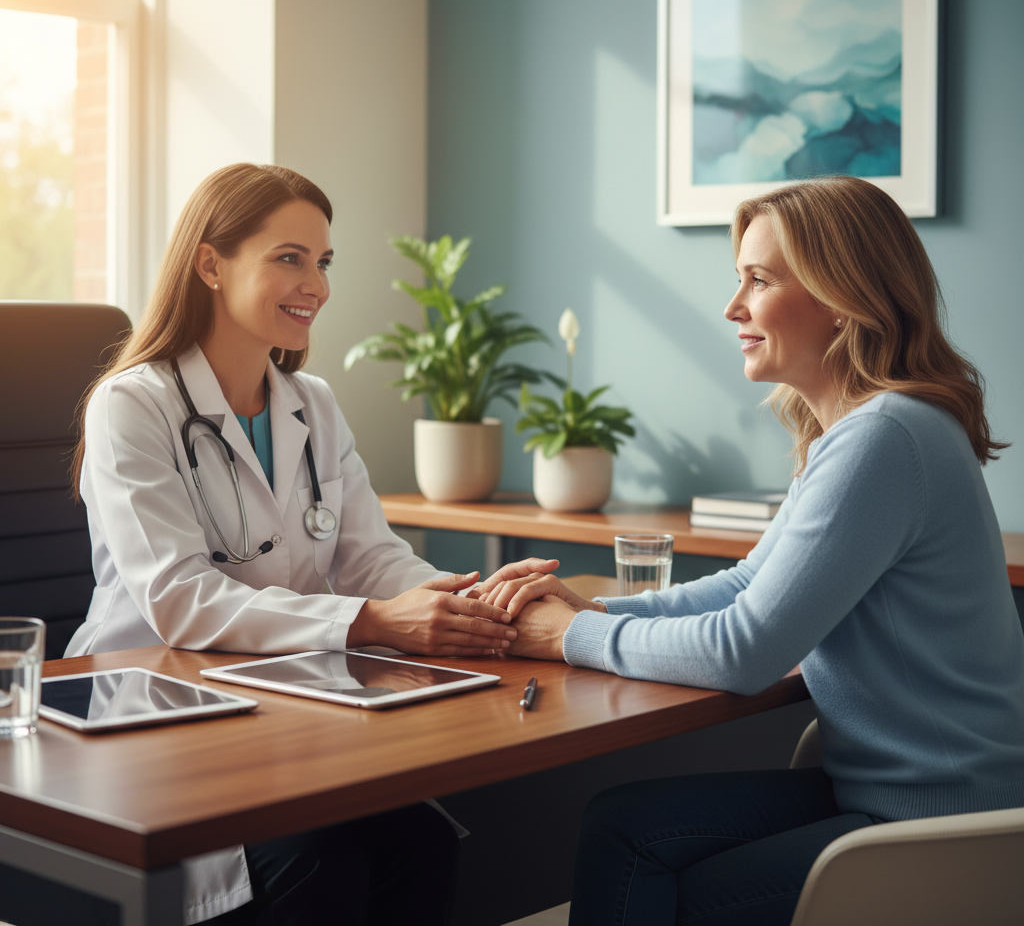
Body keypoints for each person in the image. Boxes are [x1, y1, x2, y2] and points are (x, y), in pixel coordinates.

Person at [478, 176, 1024, 926]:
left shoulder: (884, 437)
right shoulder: (862, 430)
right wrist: (593, 607)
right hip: (896, 792)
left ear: (842, 296)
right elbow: (748, 584)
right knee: (620, 824)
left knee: (654, 879)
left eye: (758, 280)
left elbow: (744, 649)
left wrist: (568, 635)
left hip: (936, 821)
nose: (733, 308)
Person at [65, 163, 557, 926]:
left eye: (323, 262)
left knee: (424, 845)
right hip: (159, 714)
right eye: (289, 257)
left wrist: (471, 600)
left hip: (289, 706)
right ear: (211, 264)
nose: (317, 285)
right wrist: (370, 622)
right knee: (317, 868)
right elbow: (178, 601)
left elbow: (370, 557)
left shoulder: (311, 404)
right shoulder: (135, 404)